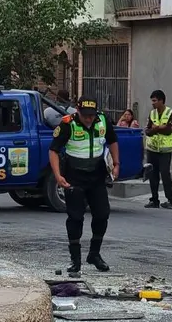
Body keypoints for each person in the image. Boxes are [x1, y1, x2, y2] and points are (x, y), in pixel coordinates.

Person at [49, 98, 120, 276]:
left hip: (96, 175)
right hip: (74, 176)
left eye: (91, 116)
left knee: (102, 214)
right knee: (75, 218)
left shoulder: (103, 120)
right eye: (85, 116)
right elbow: (54, 150)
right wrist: (58, 176)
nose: (88, 119)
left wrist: (116, 163)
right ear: (78, 112)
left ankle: (94, 254)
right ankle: (76, 260)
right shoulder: (67, 124)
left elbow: (112, 141)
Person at [145, 90, 172, 210]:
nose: (152, 103)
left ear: (161, 101)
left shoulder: (171, 112)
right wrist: (159, 128)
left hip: (165, 150)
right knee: (152, 175)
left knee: (165, 174)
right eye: (152, 101)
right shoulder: (152, 114)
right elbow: (147, 131)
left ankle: (171, 201)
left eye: (154, 101)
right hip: (152, 149)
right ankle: (154, 200)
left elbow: (169, 129)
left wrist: (156, 127)